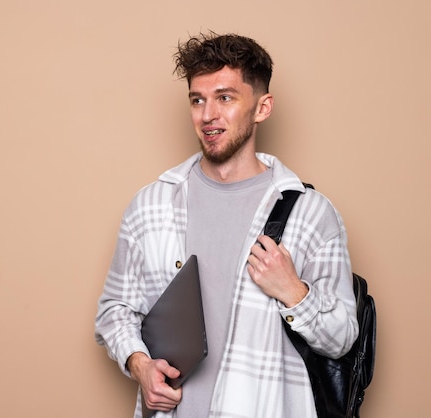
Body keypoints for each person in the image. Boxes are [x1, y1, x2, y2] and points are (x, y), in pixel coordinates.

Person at [94, 32, 359, 418]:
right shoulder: (151, 205)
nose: (207, 115)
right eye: (197, 100)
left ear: (262, 107)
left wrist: (294, 292)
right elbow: (114, 310)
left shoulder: (311, 214)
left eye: (225, 98)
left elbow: (342, 338)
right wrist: (139, 364)